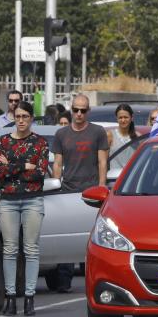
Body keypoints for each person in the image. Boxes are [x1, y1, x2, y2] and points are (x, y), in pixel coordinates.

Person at [0, 101, 49, 316]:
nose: (21, 120)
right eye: (18, 116)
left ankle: (29, 297)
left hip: (33, 199)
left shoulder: (40, 143)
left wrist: (12, 167)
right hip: (7, 200)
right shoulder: (3, 141)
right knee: (9, 249)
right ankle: (10, 297)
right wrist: (25, 165)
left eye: (25, 116)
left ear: (31, 118)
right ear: (13, 118)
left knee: (31, 248)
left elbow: (40, 173)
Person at [51, 94, 109, 292]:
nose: (79, 114)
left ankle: (91, 281)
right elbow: (57, 163)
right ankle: (63, 281)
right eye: (76, 110)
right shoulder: (61, 134)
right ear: (71, 109)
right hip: (67, 191)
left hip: (91, 193)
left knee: (91, 238)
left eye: (83, 110)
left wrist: (101, 187)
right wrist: (55, 186)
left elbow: (103, 162)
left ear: (88, 111)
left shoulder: (98, 132)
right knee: (67, 236)